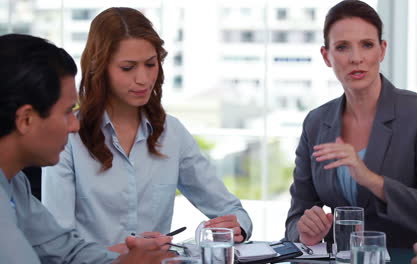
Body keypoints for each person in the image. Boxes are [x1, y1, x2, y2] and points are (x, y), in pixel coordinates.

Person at [42, 7, 252, 252]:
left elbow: (233, 211)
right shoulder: (68, 136)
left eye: (150, 64)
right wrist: (122, 253)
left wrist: (238, 226)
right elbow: (56, 247)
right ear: (99, 69)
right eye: (128, 68)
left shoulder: (171, 133)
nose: (143, 79)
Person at [285, 0, 417, 248]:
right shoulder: (316, 122)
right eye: (343, 47)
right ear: (327, 56)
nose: (356, 58)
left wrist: (370, 179)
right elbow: (296, 217)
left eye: (367, 45)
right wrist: (304, 232)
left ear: (382, 50)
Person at [0, 33, 174, 263]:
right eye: (66, 112)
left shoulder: (15, 183)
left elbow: (64, 251)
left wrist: (122, 261)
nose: (74, 126)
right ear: (26, 120)